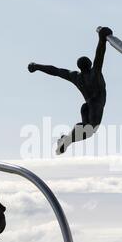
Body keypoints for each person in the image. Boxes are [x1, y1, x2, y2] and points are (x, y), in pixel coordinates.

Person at [28, 26, 113, 154]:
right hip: (96, 105)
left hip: (87, 106)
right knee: (90, 130)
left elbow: (56, 71)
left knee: (86, 128)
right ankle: (67, 140)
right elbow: (99, 54)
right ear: (90, 64)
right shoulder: (95, 72)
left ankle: (66, 139)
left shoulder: (76, 76)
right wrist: (102, 38)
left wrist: (37, 66)